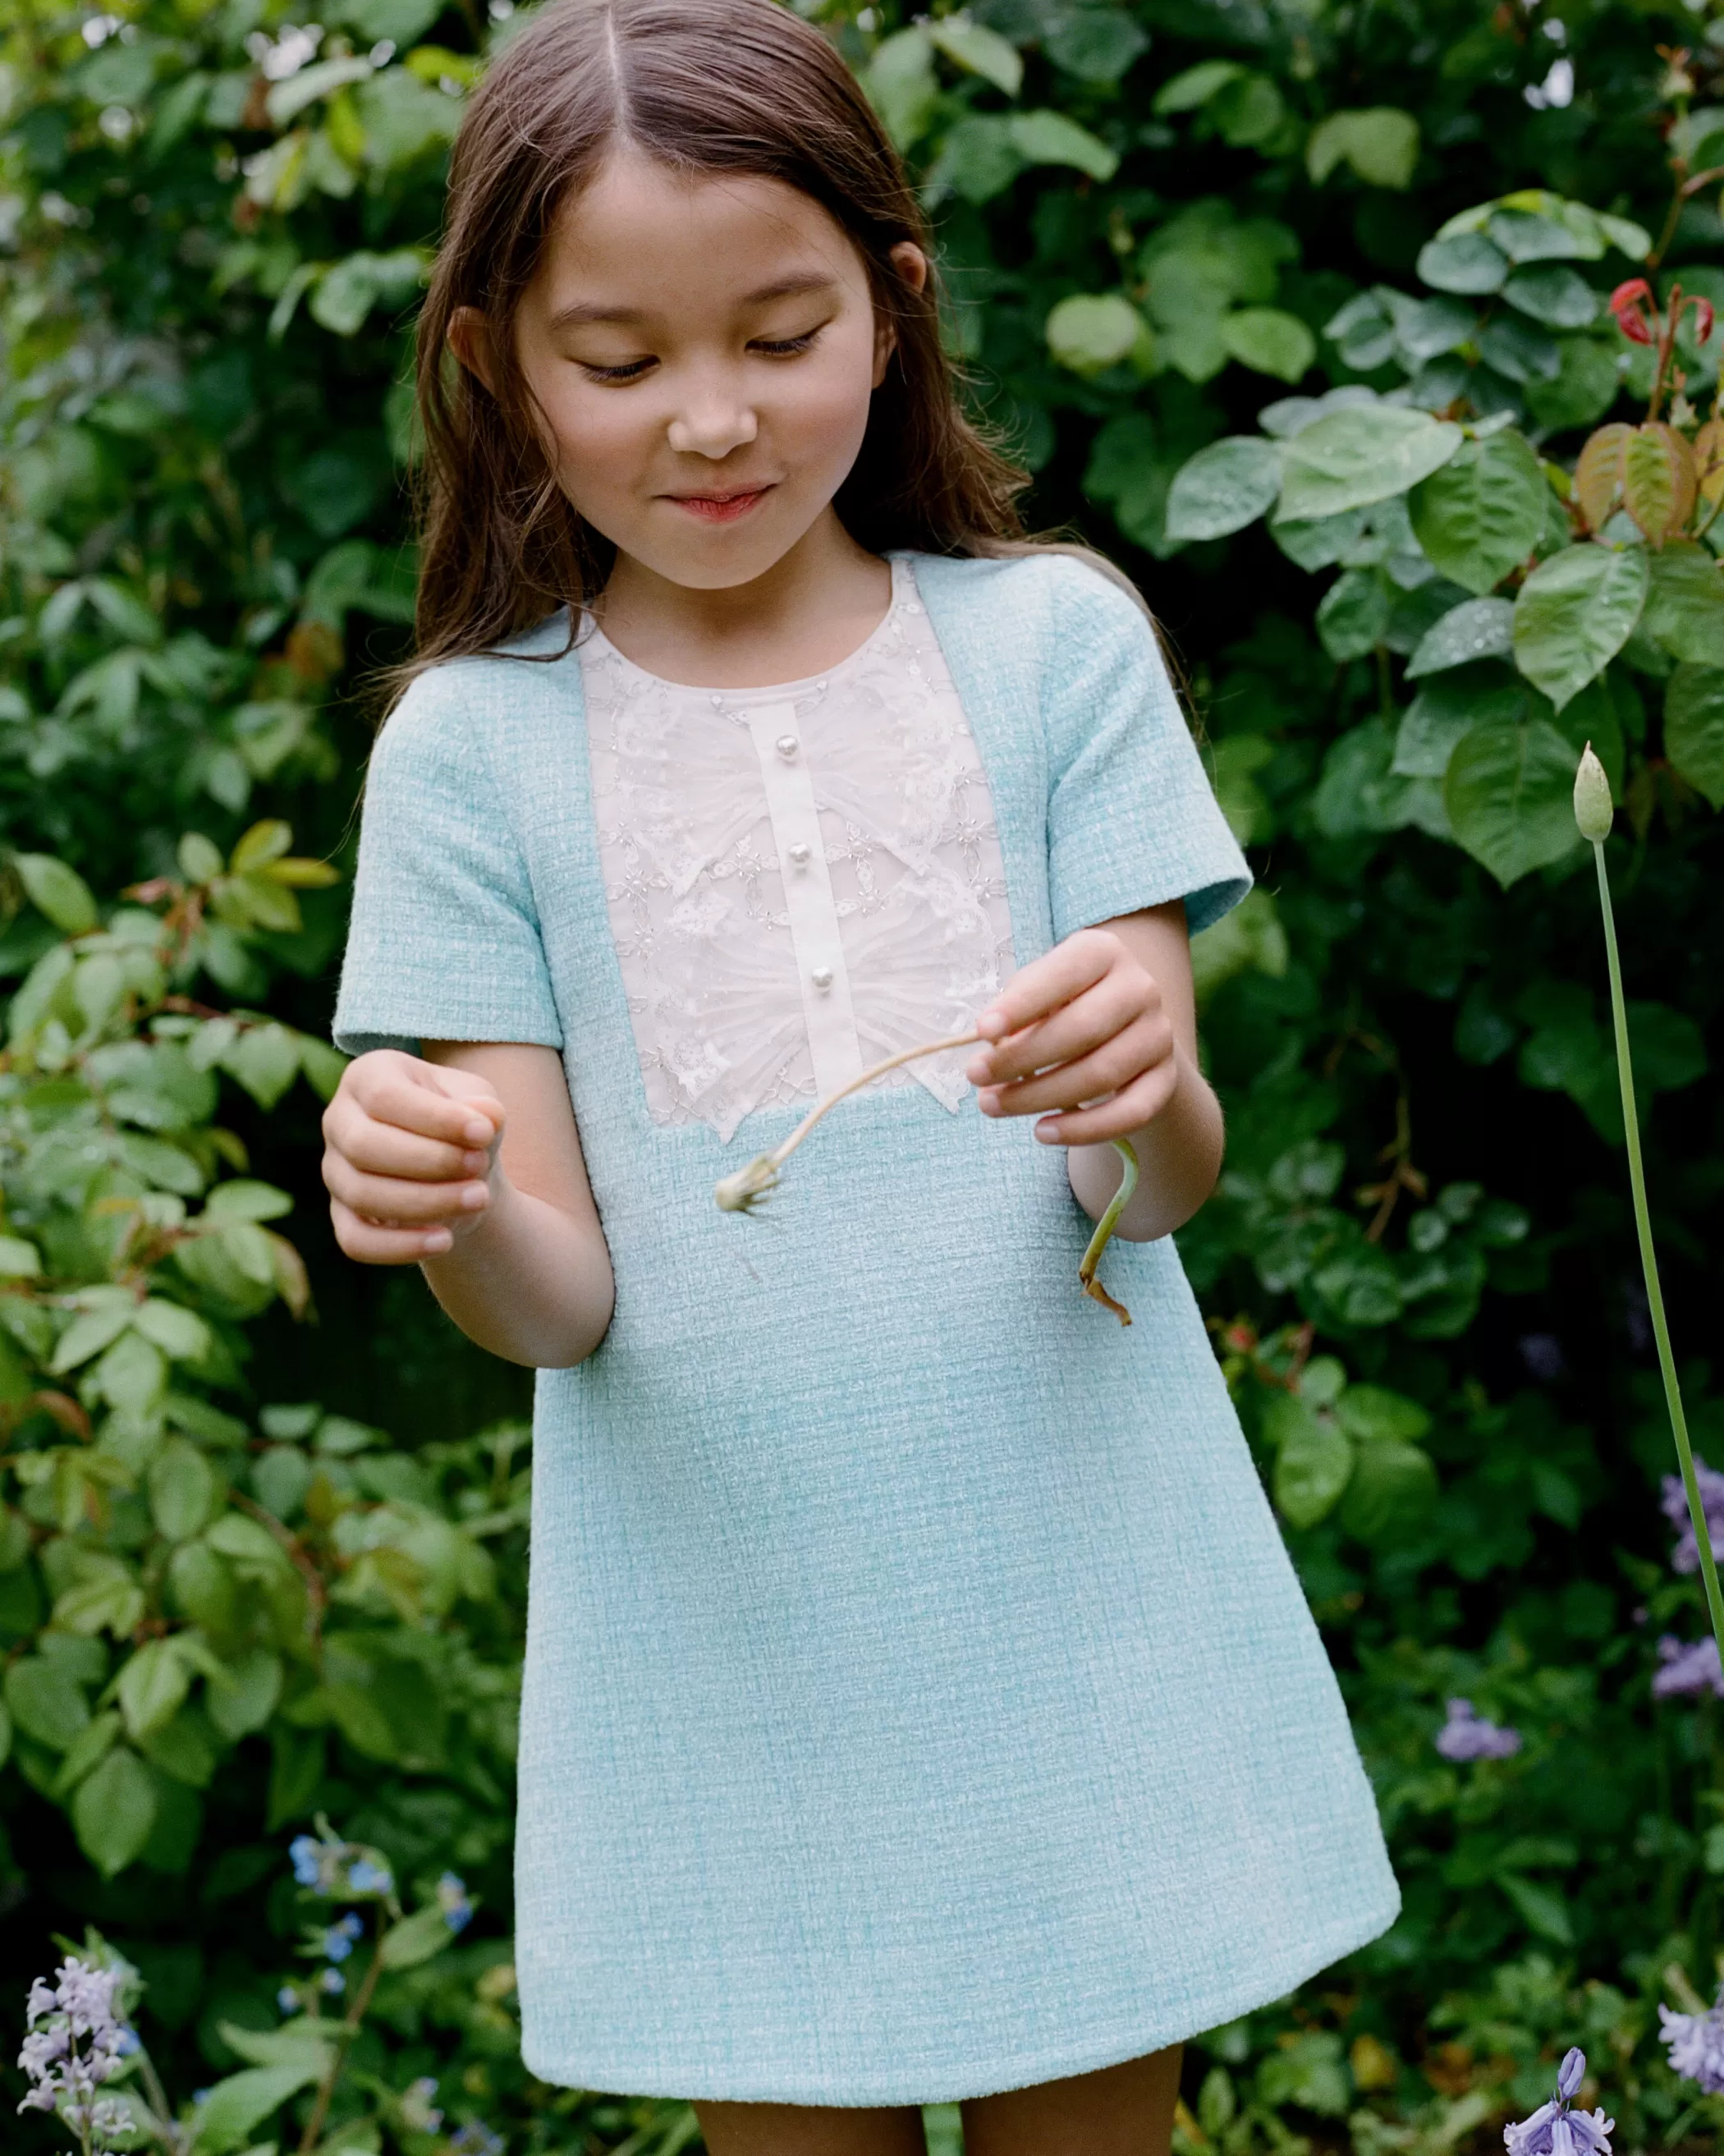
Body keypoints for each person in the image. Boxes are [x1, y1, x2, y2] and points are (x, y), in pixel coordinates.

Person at [321, 1, 1401, 2149]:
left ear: (893, 317)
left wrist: (1133, 1092)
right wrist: (446, 1205)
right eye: (617, 361)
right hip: (729, 1664)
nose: (707, 420)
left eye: (780, 331)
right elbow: (565, 1307)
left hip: (1081, 1609)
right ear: (495, 366)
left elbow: (1163, 1178)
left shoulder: (1051, 650)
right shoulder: (470, 758)